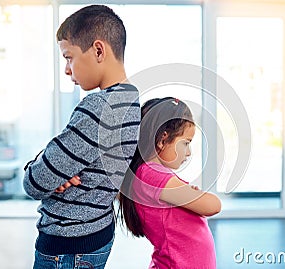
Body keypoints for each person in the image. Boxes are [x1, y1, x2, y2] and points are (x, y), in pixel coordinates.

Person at [23, 5, 140, 269]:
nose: (67, 69)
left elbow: (34, 182)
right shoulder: (130, 99)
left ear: (98, 50)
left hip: (67, 248)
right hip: (95, 234)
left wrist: (42, 164)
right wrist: (56, 171)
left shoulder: (98, 107)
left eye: (69, 57)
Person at [119, 97, 221, 269]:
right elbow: (213, 205)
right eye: (186, 143)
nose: (188, 153)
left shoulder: (150, 174)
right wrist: (196, 195)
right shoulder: (152, 175)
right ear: (162, 139)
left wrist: (189, 194)